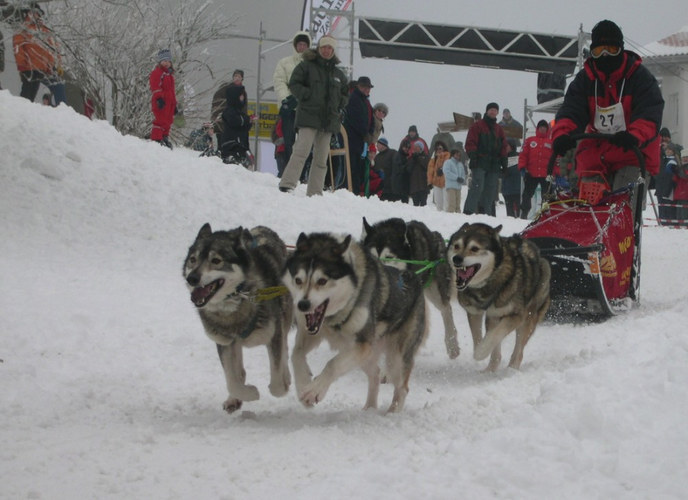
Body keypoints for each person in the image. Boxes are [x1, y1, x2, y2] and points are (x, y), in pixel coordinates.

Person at [550, 19, 664, 207]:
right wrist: (562, 135)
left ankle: (625, 233)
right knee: (590, 211)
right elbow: (571, 111)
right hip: (594, 153)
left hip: (633, 153)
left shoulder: (640, 77)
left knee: (622, 208)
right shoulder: (585, 80)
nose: (604, 56)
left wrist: (634, 135)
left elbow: (649, 113)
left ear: (621, 49)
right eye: (598, 51)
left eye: (611, 50)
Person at [278, 35, 348, 196]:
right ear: (319, 48)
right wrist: (307, 95)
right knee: (301, 151)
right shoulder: (306, 66)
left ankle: (315, 191)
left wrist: (339, 103)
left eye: (330, 48)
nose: (326, 50)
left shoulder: (338, 73)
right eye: (324, 47)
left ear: (333, 50)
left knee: (321, 158)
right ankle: (287, 183)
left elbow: (346, 93)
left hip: (328, 121)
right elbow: (294, 83)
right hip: (308, 117)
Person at [12, 7, 66, 105]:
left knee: (57, 87)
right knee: (28, 94)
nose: (37, 15)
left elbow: (54, 48)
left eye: (38, 13)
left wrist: (57, 65)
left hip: (44, 68)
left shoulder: (45, 30)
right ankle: (21, 111)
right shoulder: (24, 29)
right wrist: (22, 66)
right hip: (30, 68)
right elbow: (18, 48)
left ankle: (62, 111)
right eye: (34, 13)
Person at [273, 31, 311, 165]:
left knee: (305, 142)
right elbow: (279, 81)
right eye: (299, 44)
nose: (301, 47)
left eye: (304, 44)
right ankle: (289, 171)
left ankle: (302, 173)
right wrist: (286, 98)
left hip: (306, 110)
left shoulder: (313, 65)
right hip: (288, 108)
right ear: (295, 45)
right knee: (289, 141)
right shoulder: (284, 62)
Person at [463, 102, 508, 215]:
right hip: (480, 161)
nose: (493, 112)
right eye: (491, 110)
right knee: (477, 187)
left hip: (494, 164)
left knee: (490, 190)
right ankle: (468, 212)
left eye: (495, 110)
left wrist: (504, 162)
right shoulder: (477, 126)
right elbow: (470, 143)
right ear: (487, 111)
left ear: (497, 113)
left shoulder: (499, 129)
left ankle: (485, 214)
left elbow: (503, 147)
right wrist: (473, 157)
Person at [344, 76, 375, 195]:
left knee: (359, 167)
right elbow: (355, 120)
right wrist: (365, 133)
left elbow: (370, 119)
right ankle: (351, 190)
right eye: (365, 87)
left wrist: (369, 133)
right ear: (359, 87)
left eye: (368, 87)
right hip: (353, 139)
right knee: (352, 166)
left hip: (362, 140)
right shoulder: (354, 99)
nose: (367, 90)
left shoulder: (365, 101)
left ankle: (356, 190)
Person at [518, 119, 553, 218]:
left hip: (546, 175)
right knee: (527, 195)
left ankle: (545, 216)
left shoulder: (551, 142)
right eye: (541, 128)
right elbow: (523, 155)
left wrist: (556, 172)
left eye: (544, 128)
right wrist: (522, 167)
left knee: (546, 197)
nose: (542, 129)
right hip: (531, 173)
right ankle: (524, 215)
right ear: (537, 129)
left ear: (547, 130)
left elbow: (555, 158)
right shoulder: (530, 140)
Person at [220, 83, 256, 165]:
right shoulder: (229, 111)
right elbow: (235, 121)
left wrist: (249, 122)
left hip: (241, 146)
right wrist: (247, 120)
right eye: (241, 95)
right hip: (231, 146)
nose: (243, 98)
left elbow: (243, 127)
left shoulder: (240, 112)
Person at [149, 48, 177, 148]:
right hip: (160, 101)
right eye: (164, 61)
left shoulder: (169, 75)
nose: (167, 63)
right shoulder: (157, 73)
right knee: (160, 120)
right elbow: (155, 86)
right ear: (160, 62)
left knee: (168, 120)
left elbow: (172, 91)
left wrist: (174, 104)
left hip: (169, 102)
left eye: (168, 61)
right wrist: (159, 98)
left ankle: (164, 136)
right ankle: (156, 138)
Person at [211, 69, 248, 141]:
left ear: (242, 79)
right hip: (223, 121)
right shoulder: (225, 88)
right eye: (235, 76)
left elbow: (244, 108)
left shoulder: (243, 92)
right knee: (222, 141)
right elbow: (217, 101)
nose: (237, 78)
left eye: (239, 77)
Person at [501, 138, 522, 217]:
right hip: (507, 190)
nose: (505, 147)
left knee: (517, 214)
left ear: (512, 146)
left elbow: (517, 171)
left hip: (517, 189)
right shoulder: (503, 158)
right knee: (509, 214)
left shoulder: (519, 157)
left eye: (507, 146)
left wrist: (507, 171)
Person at [427, 140, 449, 211]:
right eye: (437, 149)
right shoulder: (433, 160)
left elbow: (448, 165)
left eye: (440, 148)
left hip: (446, 182)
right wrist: (429, 182)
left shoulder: (448, 156)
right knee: (438, 204)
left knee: (446, 203)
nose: (438, 150)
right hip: (436, 183)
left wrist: (442, 169)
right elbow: (430, 172)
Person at [443, 147, 467, 213]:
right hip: (451, 186)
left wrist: (462, 179)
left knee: (458, 204)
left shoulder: (460, 164)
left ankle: (458, 217)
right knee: (451, 204)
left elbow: (463, 173)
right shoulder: (448, 162)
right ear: (453, 155)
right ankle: (450, 217)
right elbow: (447, 172)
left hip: (458, 187)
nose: (458, 156)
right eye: (456, 154)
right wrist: (456, 178)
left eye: (459, 155)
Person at [407, 140, 430, 206]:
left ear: (421, 148)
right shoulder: (411, 158)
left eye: (417, 147)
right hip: (414, 187)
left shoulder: (426, 157)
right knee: (415, 206)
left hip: (423, 186)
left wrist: (418, 158)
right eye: (414, 147)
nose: (415, 148)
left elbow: (426, 166)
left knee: (423, 205)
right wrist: (413, 160)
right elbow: (408, 169)